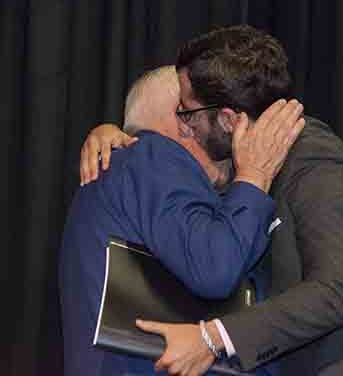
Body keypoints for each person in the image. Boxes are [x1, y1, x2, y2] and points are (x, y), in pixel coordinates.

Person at [81, 25, 343, 376]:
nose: (184, 125)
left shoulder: (314, 159)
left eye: (188, 112)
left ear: (227, 119)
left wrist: (212, 338)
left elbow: (333, 293)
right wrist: (119, 135)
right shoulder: (241, 166)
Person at [60, 65, 305, 376]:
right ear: (182, 118)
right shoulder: (151, 156)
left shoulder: (138, 175)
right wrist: (254, 176)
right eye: (207, 111)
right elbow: (215, 268)